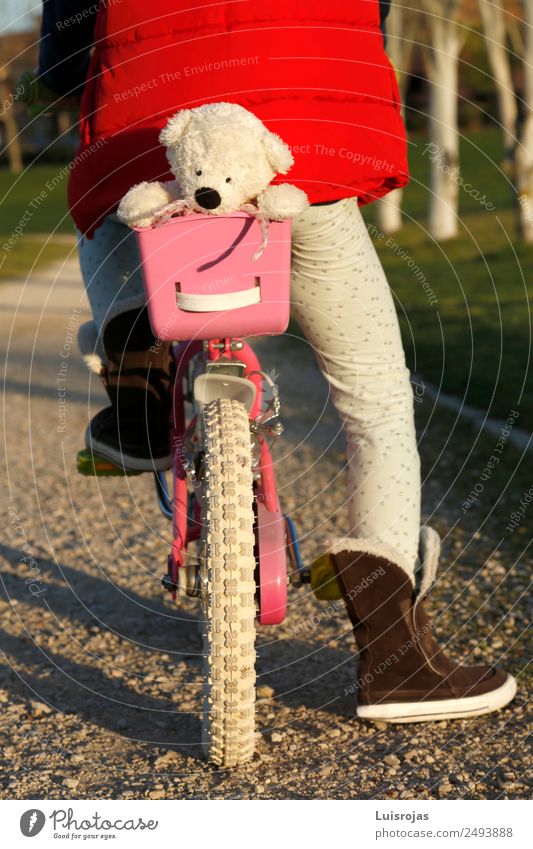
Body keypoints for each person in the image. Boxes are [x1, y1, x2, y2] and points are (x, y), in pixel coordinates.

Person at [36, 0, 516, 722]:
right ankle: (394, 656)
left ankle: (136, 365)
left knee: (113, 200)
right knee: (375, 396)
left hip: (153, 151)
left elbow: (59, 68)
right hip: (300, 156)